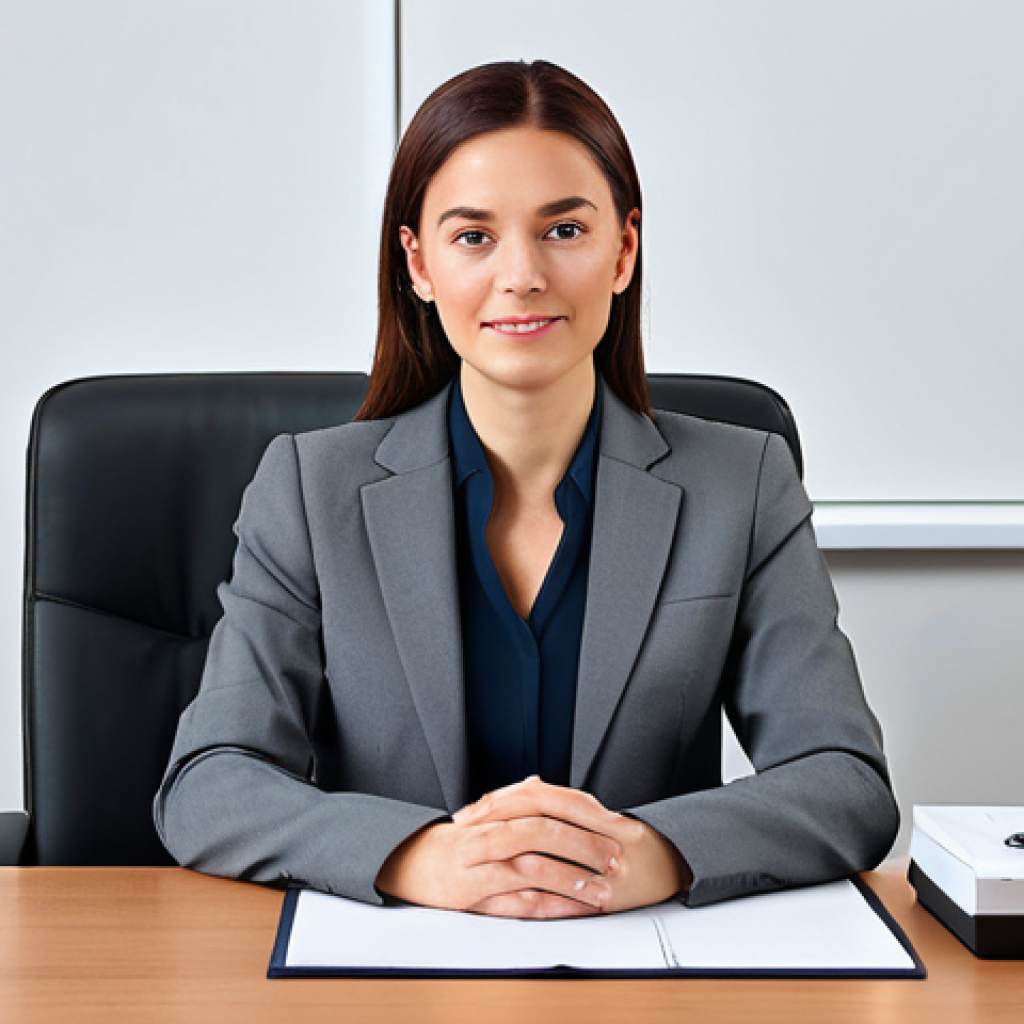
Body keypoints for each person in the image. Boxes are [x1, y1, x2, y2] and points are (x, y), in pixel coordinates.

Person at [154, 60, 898, 919]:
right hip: (394, 975)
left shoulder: (743, 485)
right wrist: (418, 859)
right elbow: (208, 783)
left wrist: (647, 855)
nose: (522, 275)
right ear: (419, 264)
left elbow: (846, 782)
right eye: (473, 237)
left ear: (623, 250)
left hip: (644, 967)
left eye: (564, 231)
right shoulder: (311, 491)